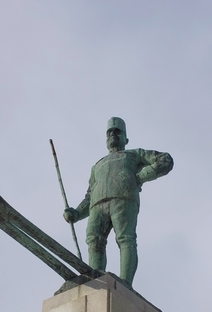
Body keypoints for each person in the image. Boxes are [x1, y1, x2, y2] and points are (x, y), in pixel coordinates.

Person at [63, 117, 173, 287]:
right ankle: (95, 279)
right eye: (109, 133)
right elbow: (89, 195)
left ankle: (125, 283)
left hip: (123, 199)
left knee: (125, 239)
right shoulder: (97, 166)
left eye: (117, 132)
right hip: (97, 206)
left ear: (125, 139)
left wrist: (139, 177)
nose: (113, 135)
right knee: (94, 241)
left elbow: (165, 160)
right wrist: (76, 213)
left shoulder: (133, 154)